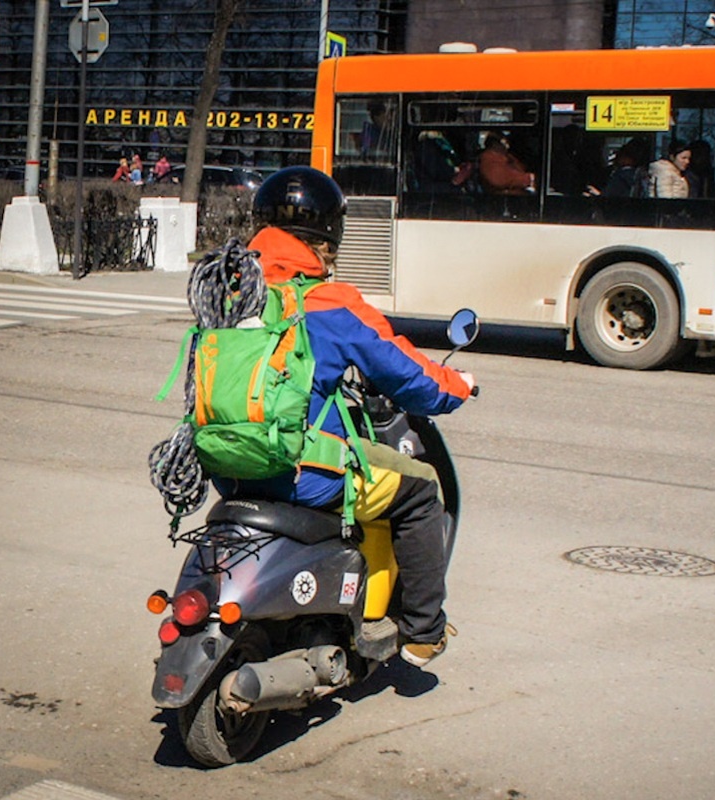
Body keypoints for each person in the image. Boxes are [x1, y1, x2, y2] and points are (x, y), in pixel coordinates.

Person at [221, 166, 476, 667]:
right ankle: (424, 631)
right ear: (327, 239)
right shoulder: (330, 302)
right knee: (421, 488)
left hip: (228, 466)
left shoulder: (229, 294)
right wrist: (457, 387)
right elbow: (408, 376)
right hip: (303, 476)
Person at [478, 131, 534, 195]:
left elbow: (521, 169)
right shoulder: (488, 158)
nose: (507, 146)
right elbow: (499, 179)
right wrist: (529, 178)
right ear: (494, 143)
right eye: (504, 142)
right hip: (502, 199)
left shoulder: (507, 156)